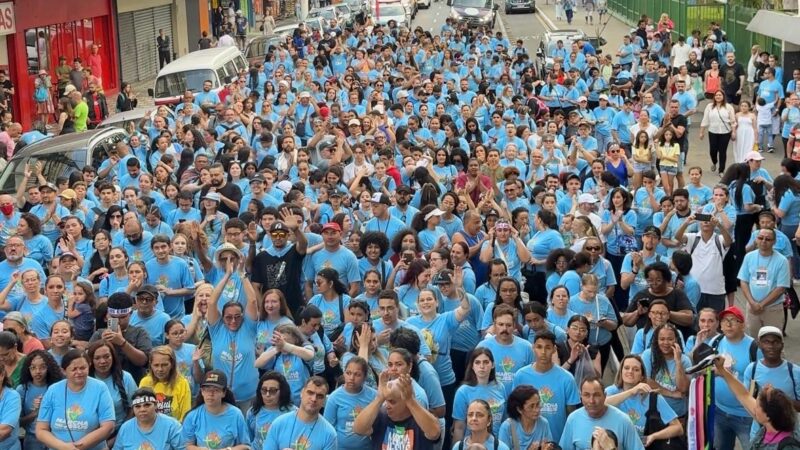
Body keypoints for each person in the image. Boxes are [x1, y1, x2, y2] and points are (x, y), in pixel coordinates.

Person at [715, 352, 800, 449]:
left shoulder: (788, 447)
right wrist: (723, 371)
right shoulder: (770, 424)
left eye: (757, 406)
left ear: (768, 416)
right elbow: (744, 395)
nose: (754, 408)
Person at [35, 349, 115, 450]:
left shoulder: (100, 388)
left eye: (83, 368)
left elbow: (108, 426)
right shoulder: (53, 390)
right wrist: (64, 447)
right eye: (74, 369)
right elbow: (41, 430)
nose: (79, 372)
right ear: (64, 371)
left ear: (89, 366)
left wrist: (77, 447)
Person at [512, 331, 580, 442]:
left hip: (557, 441)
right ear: (533, 348)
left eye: (547, 347)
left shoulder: (567, 378)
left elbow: (571, 415)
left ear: (554, 349)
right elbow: (515, 410)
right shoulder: (521, 376)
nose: (543, 352)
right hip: (527, 442)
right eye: (539, 347)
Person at [604, 355, 683, 446]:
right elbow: (601, 405)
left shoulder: (653, 397)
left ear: (642, 376)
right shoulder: (612, 391)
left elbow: (678, 428)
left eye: (636, 369)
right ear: (621, 371)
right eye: (626, 368)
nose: (630, 371)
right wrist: (631, 392)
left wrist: (653, 436)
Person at [353, 370, 441, 450]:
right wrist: (379, 398)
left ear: (406, 402)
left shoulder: (420, 419)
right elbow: (358, 429)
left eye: (392, 402)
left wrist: (410, 401)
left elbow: (434, 433)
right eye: (386, 401)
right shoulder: (381, 415)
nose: (387, 406)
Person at [559, 377, 645, 450]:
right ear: (581, 396)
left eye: (596, 395)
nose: (591, 401)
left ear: (605, 396)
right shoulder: (573, 419)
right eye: (586, 395)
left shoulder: (623, 421)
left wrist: (611, 448)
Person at [738, 227, 790, 336]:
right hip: (752, 307)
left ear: (774, 241)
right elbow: (744, 281)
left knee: (773, 341)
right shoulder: (749, 257)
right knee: (754, 340)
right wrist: (752, 303)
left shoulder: (782, 260)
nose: (763, 241)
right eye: (760, 238)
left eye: (768, 239)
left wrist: (761, 305)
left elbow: (781, 288)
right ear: (756, 239)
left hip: (773, 308)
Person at [182, 370, 252, 450]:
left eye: (216, 390)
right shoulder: (192, 416)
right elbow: (187, 445)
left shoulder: (236, 414)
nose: (210, 394)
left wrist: (229, 449)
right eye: (207, 389)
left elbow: (246, 446)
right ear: (202, 392)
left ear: (224, 393)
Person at [263, 376, 337, 450]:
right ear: (302, 393)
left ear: (324, 401)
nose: (314, 399)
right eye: (310, 393)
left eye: (319, 396)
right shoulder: (278, 424)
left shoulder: (329, 434)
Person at [452, 348, 507, 442]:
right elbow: (459, 427)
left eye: (486, 362)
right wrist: (456, 446)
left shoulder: (500, 387)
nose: (482, 366)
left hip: (496, 443)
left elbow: (504, 419)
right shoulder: (463, 391)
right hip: (472, 444)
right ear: (472, 366)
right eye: (477, 362)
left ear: (493, 365)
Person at [324, 356, 378, 450]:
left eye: (357, 375)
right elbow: (328, 429)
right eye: (348, 373)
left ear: (365, 377)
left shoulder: (374, 396)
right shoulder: (334, 398)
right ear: (344, 373)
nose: (351, 378)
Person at [16, 350, 63, 450]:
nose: (37, 371)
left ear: (49, 368)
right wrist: (35, 413)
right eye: (33, 367)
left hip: (55, 438)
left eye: (42, 367)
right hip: (32, 440)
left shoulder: (57, 388)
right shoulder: (23, 389)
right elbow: (17, 423)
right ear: (28, 369)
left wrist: (47, 407)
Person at [112, 387, 184, 450]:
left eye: (147, 405)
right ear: (133, 408)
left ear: (156, 405)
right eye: (137, 406)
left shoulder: (172, 426)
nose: (142, 409)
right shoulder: (125, 428)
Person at [138, 345, 192, 422]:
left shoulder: (182, 383)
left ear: (172, 364)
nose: (160, 369)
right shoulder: (145, 382)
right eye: (156, 365)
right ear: (151, 365)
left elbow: (185, 415)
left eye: (164, 365)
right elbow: (141, 412)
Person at [247, 371, 296, 450]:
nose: (267, 394)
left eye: (273, 391)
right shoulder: (253, 412)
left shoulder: (293, 412)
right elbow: (249, 440)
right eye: (264, 390)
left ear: (282, 391)